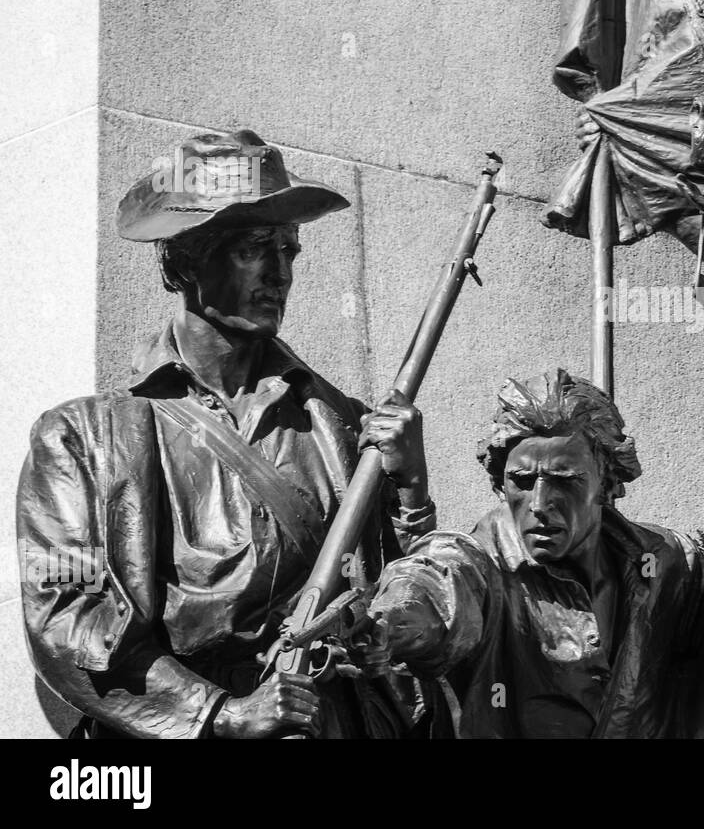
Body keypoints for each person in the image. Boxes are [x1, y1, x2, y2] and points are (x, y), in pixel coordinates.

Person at [17, 129, 435, 738]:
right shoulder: (80, 439)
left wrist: (411, 494)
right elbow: (66, 619)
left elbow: (408, 605)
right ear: (186, 258)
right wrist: (221, 715)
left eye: (289, 250)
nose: (279, 273)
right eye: (254, 247)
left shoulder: (341, 422)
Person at [367, 368, 704, 738]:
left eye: (565, 480)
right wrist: (391, 623)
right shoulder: (479, 564)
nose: (539, 503)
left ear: (609, 482)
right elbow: (431, 584)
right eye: (520, 481)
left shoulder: (670, 561)